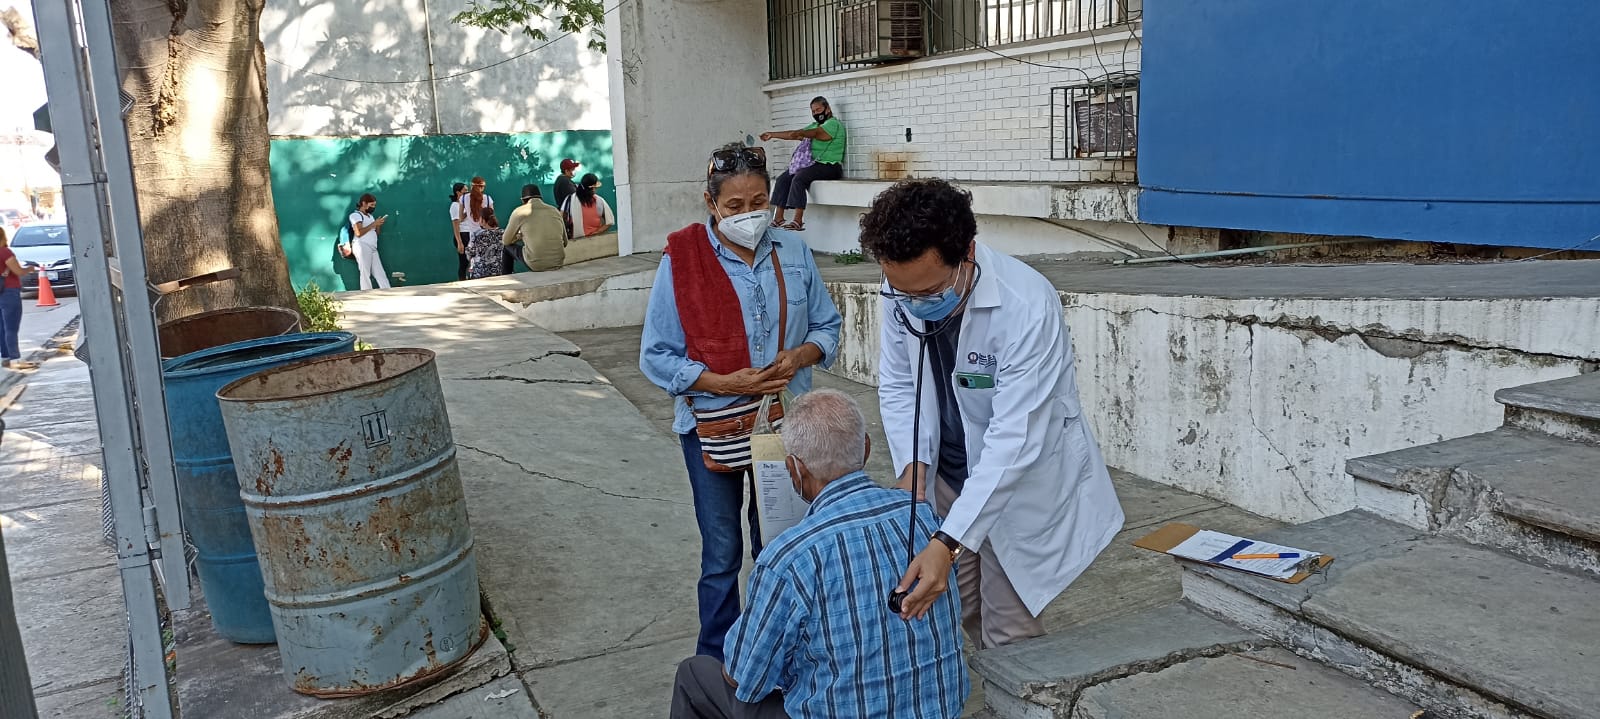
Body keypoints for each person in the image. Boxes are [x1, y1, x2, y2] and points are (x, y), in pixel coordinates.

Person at [862, 178, 1123, 649]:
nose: (916, 304)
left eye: (929, 290)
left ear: (967, 254)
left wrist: (948, 541)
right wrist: (914, 465)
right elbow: (901, 382)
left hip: (1016, 480)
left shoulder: (1026, 305)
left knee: (1010, 631)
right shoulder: (900, 284)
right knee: (953, 608)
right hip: (945, 467)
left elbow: (1013, 439)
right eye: (904, 293)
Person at [640, 143, 843, 662]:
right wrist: (722, 383)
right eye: (734, 206)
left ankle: (780, 651)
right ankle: (717, 662)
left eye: (758, 201)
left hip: (786, 426)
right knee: (722, 554)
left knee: (780, 545)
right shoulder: (683, 260)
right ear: (711, 204)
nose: (749, 214)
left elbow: (828, 326)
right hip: (709, 427)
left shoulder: (793, 252)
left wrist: (798, 355)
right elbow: (657, 355)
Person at [669, 389, 968, 719]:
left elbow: (742, 678)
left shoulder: (788, 558)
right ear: (866, 448)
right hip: (941, 711)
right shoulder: (925, 518)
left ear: (794, 470)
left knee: (694, 674)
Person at [761, 97, 846, 231]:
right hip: (814, 165)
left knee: (799, 177)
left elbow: (818, 134)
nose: (816, 113)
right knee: (784, 178)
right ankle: (778, 217)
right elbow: (792, 135)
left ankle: (798, 220)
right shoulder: (813, 126)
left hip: (830, 166)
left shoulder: (833, 124)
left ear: (827, 109)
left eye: (818, 109)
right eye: (813, 111)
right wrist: (772, 134)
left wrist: (800, 133)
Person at [502, 184, 567, 272]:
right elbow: (565, 242)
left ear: (523, 200)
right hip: (558, 262)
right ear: (541, 198)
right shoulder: (554, 210)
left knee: (507, 248)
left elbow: (506, 241)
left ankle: (507, 279)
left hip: (536, 264)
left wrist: (519, 236)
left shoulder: (519, 212)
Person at [0, 227, 37, 371]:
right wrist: (30, 269)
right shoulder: (5, 252)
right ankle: (15, 359)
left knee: (2, 328)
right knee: (11, 327)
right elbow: (18, 271)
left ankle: (5, 357)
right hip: (9, 291)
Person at [348, 193, 392, 290]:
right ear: (364, 203)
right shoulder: (355, 215)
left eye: (374, 205)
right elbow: (358, 232)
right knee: (365, 272)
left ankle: (388, 292)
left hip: (373, 247)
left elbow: (376, 233)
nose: (373, 207)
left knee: (380, 273)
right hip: (362, 246)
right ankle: (366, 293)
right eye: (371, 205)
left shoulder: (370, 217)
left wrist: (378, 225)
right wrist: (373, 224)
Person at [457, 176, 495, 277]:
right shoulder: (488, 198)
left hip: (472, 236)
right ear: (482, 187)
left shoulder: (463, 198)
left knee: (473, 262)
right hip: (487, 235)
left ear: (472, 186)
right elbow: (491, 218)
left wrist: (469, 213)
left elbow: (460, 218)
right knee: (489, 260)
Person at [559, 173, 615, 239]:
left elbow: (561, 219)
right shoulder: (599, 201)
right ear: (593, 188)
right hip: (595, 241)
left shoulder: (569, 199)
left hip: (575, 242)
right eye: (595, 188)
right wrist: (597, 233)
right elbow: (609, 222)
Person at [466, 206, 505, 280]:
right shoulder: (503, 233)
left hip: (480, 273)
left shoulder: (477, 234)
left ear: (483, 220)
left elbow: (469, 254)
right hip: (500, 271)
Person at [447, 181, 470, 280]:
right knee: (464, 262)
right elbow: (456, 224)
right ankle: (463, 281)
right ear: (458, 193)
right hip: (462, 235)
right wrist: (459, 242)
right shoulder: (455, 206)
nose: (467, 194)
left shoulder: (466, 204)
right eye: (465, 192)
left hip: (470, 234)